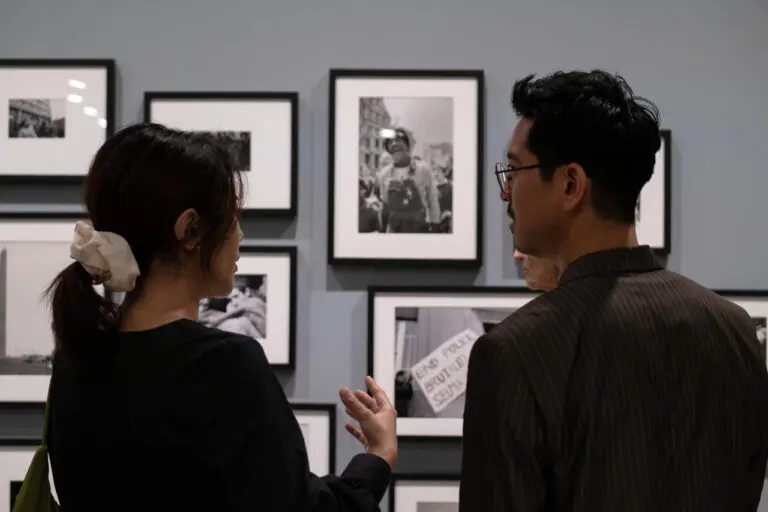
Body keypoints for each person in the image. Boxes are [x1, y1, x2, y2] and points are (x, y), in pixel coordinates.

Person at [44, 123, 398, 511]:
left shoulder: (75, 361)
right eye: (233, 217)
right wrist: (378, 457)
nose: (240, 235)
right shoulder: (224, 366)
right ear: (190, 230)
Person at [460, 70, 768, 511]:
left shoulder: (515, 351)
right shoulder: (733, 329)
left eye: (514, 170)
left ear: (571, 184)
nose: (506, 192)